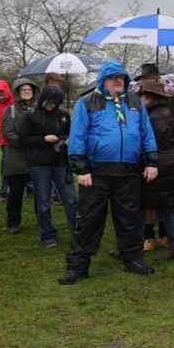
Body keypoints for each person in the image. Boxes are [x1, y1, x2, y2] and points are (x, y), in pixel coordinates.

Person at [59, 60, 159, 285]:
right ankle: (79, 265)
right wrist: (81, 168)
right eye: (113, 77)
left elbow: (146, 133)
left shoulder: (135, 103)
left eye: (121, 78)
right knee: (88, 220)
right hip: (97, 171)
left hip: (129, 170)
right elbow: (77, 137)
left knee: (129, 217)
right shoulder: (88, 103)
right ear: (102, 79)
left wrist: (151, 161)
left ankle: (132, 258)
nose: (118, 81)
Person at [17, 84, 77, 248]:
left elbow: (71, 133)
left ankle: (77, 233)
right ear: (43, 99)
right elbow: (22, 139)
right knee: (43, 202)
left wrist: (64, 139)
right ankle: (48, 235)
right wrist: (43, 139)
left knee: (71, 200)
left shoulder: (64, 114)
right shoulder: (31, 115)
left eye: (56, 102)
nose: (52, 105)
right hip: (39, 164)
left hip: (60, 163)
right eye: (50, 101)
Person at [137, 83, 174, 260]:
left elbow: (152, 143)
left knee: (141, 205)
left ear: (149, 97)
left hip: (157, 165)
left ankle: (133, 245)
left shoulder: (153, 116)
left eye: (142, 96)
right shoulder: (165, 112)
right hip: (167, 164)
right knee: (164, 208)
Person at [1, 78, 40, 235]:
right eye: (23, 89)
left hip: (37, 157)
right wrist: (28, 141)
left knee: (40, 193)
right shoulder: (9, 111)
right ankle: (13, 222)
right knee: (16, 194)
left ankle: (42, 220)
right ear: (17, 92)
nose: (27, 92)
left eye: (29, 89)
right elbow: (8, 134)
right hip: (16, 159)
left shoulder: (39, 109)